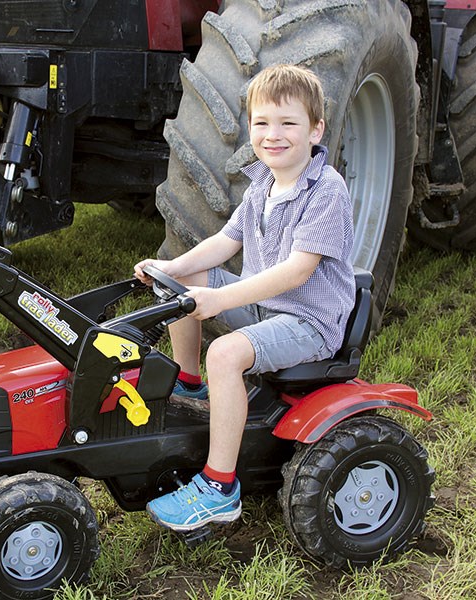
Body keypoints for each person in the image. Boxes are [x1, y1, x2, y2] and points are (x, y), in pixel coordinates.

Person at [134, 64, 355, 532]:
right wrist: (172, 269)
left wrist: (220, 298)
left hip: (307, 321)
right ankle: (189, 386)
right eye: (261, 123)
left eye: (288, 123)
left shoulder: (326, 191)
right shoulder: (263, 184)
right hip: (264, 308)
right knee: (189, 277)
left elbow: (297, 273)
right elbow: (225, 241)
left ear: (316, 130)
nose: (273, 135)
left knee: (226, 351)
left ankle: (219, 487)